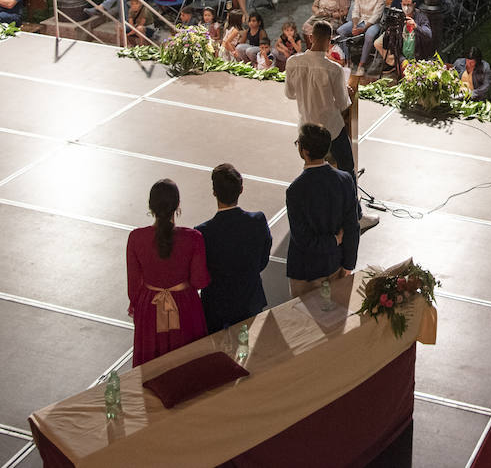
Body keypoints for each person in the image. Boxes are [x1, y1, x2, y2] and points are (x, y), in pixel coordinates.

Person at [126, 179, 209, 366]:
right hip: (185, 308)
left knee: (150, 369)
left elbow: (133, 288)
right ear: (177, 206)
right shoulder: (193, 238)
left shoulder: (136, 238)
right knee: (188, 366)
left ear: (151, 206)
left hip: (151, 309)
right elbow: (200, 281)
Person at [285, 123, 360, 298]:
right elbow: (352, 226)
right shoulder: (345, 180)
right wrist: (348, 264)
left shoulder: (296, 190)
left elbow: (302, 239)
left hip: (305, 271)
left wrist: (333, 240)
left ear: (304, 151)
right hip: (335, 265)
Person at [195, 163, 272, 333]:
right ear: (241, 189)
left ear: (214, 192)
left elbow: (200, 272)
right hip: (250, 300)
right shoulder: (257, 221)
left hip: (216, 307)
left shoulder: (203, 232)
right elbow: (263, 259)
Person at [284, 19, 357, 177]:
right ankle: (349, 197)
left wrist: (308, 93)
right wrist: (347, 93)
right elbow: (342, 103)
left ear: (310, 38)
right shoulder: (334, 69)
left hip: (306, 126)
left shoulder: (292, 62)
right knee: (347, 165)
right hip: (331, 128)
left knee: (311, 167)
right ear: (329, 40)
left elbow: (290, 94)